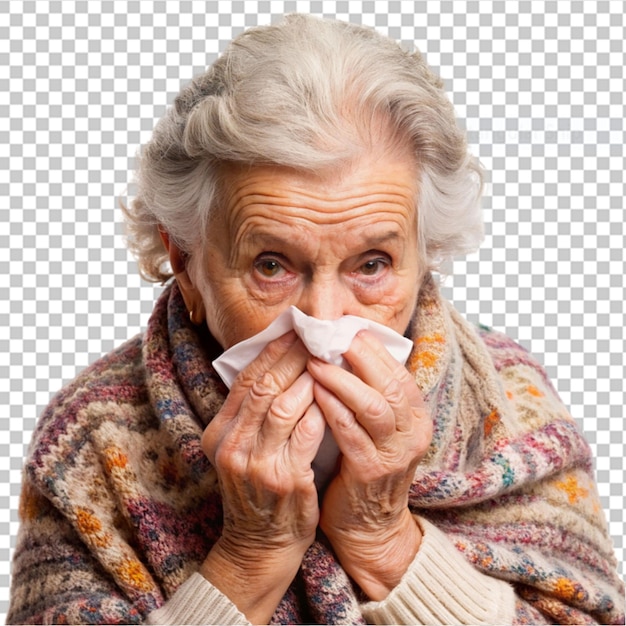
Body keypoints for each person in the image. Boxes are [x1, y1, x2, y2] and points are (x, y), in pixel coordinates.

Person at [7, 13, 624, 625]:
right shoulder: (92, 439)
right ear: (186, 264)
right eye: (272, 264)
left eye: (373, 264)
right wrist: (250, 559)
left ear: (424, 255)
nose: (323, 324)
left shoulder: (512, 401)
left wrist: (386, 542)